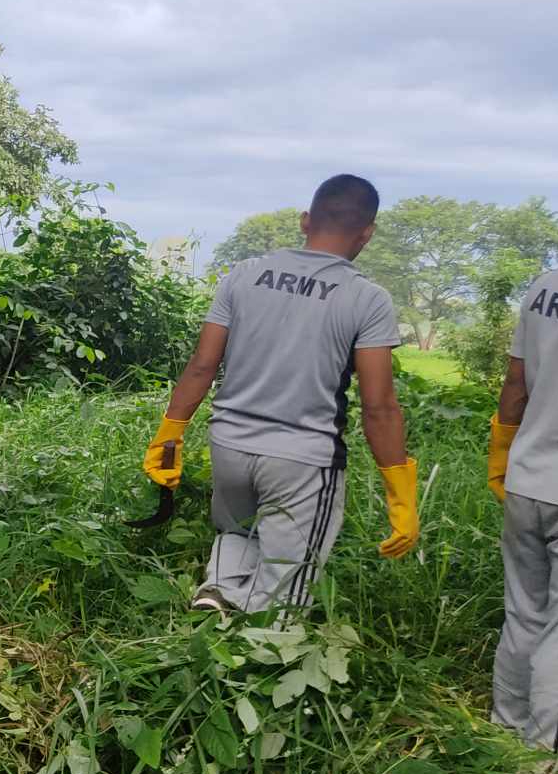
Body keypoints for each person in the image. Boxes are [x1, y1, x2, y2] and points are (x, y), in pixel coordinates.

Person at [143, 174, 418, 617]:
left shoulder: (244, 275)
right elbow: (379, 406)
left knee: (235, 532)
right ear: (367, 233)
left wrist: (169, 434)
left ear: (306, 220)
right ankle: (258, 653)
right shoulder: (367, 299)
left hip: (228, 445)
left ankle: (218, 595)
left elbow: (201, 365)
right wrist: (401, 492)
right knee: (285, 590)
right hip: (302, 460)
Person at [487, 255, 558, 774]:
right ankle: (553, 767)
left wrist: (502, 450)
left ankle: (505, 735)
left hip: (529, 480)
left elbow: (515, 386)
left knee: (525, 613)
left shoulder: (549, 286)